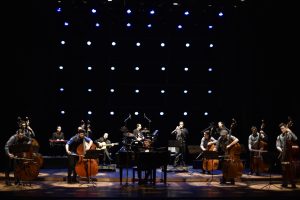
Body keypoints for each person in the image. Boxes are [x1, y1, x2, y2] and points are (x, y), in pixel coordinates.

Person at [276, 123, 298, 188]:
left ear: (286, 128)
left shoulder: (289, 135)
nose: (282, 129)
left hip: (289, 155)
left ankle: (293, 183)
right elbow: (277, 146)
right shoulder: (279, 136)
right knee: (284, 170)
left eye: (283, 128)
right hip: (283, 155)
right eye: (281, 129)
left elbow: (295, 138)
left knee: (290, 170)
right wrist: (281, 151)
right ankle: (284, 183)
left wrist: (290, 131)